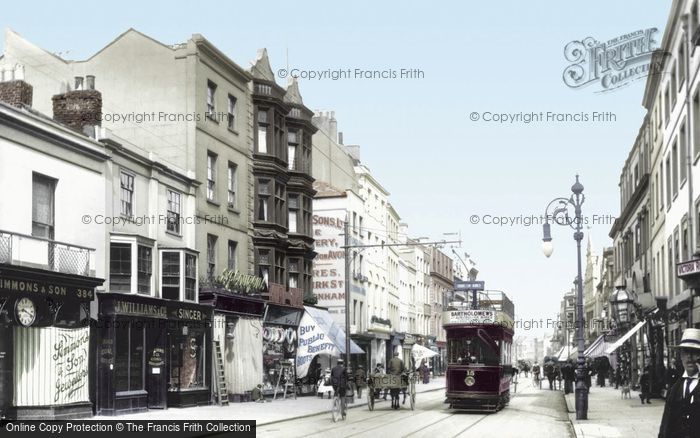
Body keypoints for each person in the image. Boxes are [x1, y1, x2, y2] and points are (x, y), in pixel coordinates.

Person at [658, 328, 700, 438]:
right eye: (685, 352)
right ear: (680, 356)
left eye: (694, 352)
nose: (689, 357)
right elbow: (665, 424)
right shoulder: (675, 387)